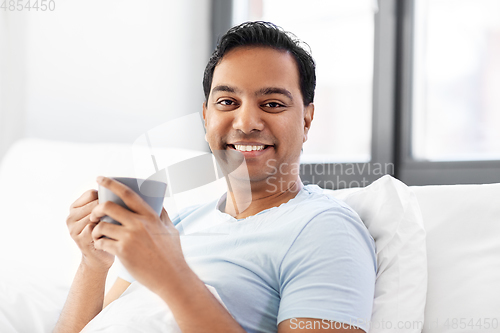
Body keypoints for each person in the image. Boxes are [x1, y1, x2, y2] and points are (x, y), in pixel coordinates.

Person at [54, 21, 376, 333]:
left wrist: (171, 273)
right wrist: (93, 264)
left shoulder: (326, 229)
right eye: (227, 102)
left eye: (272, 104)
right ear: (206, 116)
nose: (246, 122)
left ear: (306, 121)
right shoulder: (179, 224)